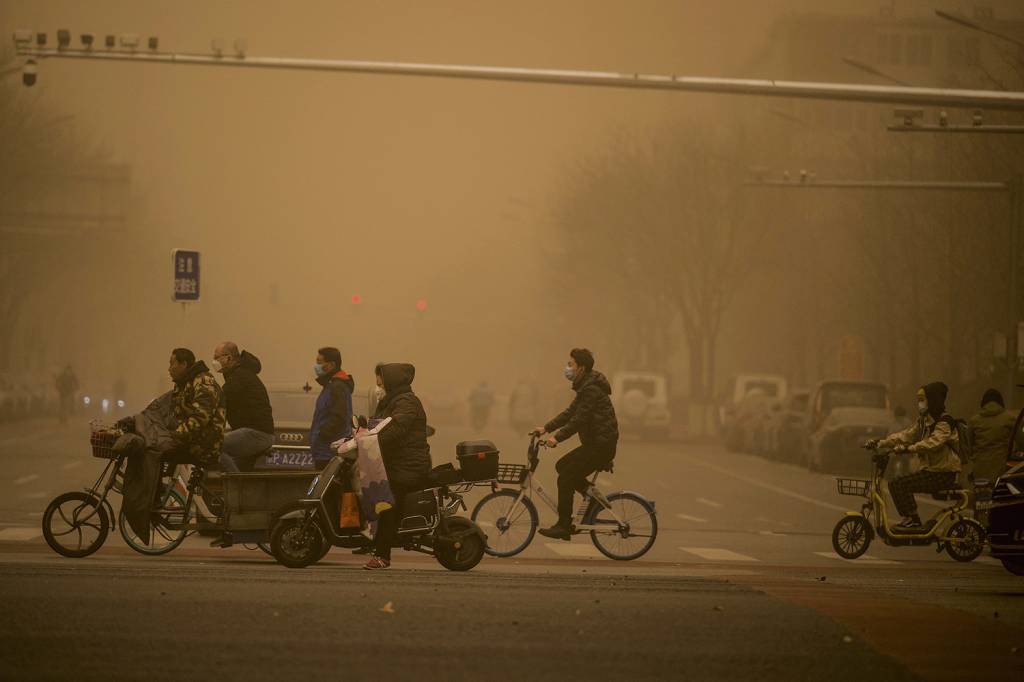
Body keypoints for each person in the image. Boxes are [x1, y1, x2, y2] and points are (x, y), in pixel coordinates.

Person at [534, 348, 619, 541]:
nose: (567, 368)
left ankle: (564, 525)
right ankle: (593, 496)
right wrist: (546, 428)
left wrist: (557, 438)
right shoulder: (586, 387)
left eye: (570, 364)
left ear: (581, 368)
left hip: (600, 446)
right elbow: (569, 413)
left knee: (565, 478)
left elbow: (579, 419)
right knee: (561, 466)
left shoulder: (591, 389)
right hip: (597, 445)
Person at [867, 382, 961, 530]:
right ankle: (911, 518)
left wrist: (909, 449)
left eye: (922, 400)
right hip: (931, 471)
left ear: (932, 400)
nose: (920, 404)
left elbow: (933, 443)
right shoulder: (924, 421)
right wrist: (881, 442)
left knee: (899, 483)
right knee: (896, 482)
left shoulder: (945, 423)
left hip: (943, 473)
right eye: (919, 400)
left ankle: (913, 519)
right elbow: (907, 435)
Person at [365, 363, 432, 570]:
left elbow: (396, 429)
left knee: (387, 501)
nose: (378, 383)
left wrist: (373, 441)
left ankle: (382, 555)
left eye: (382, 379)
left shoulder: (406, 402)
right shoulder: (391, 400)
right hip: (396, 463)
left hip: (409, 466)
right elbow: (379, 424)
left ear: (391, 380)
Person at [213, 342, 275, 472]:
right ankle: (240, 487)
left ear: (228, 358)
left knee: (215, 444)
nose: (214, 362)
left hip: (256, 433)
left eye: (217, 358)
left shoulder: (238, 377)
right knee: (241, 468)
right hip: (254, 432)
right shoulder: (239, 375)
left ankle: (236, 483)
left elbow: (218, 403)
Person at [168, 348, 227, 467]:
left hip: (204, 446)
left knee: (155, 453)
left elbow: (201, 416)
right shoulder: (183, 384)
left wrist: (173, 436)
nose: (169, 369)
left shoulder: (203, 381)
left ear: (183, 364)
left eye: (172, 364)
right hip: (189, 442)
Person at [310, 347, 354, 467]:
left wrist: (321, 435)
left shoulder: (338, 386)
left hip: (329, 452)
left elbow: (339, 417)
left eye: (319, 362)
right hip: (323, 451)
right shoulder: (330, 385)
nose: (316, 366)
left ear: (331, 364)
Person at [968, 388, 1019, 483]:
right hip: (1002, 468)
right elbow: (1020, 442)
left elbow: (969, 447)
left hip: (979, 469)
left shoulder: (974, 421)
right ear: (1000, 402)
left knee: (981, 495)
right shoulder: (1010, 419)